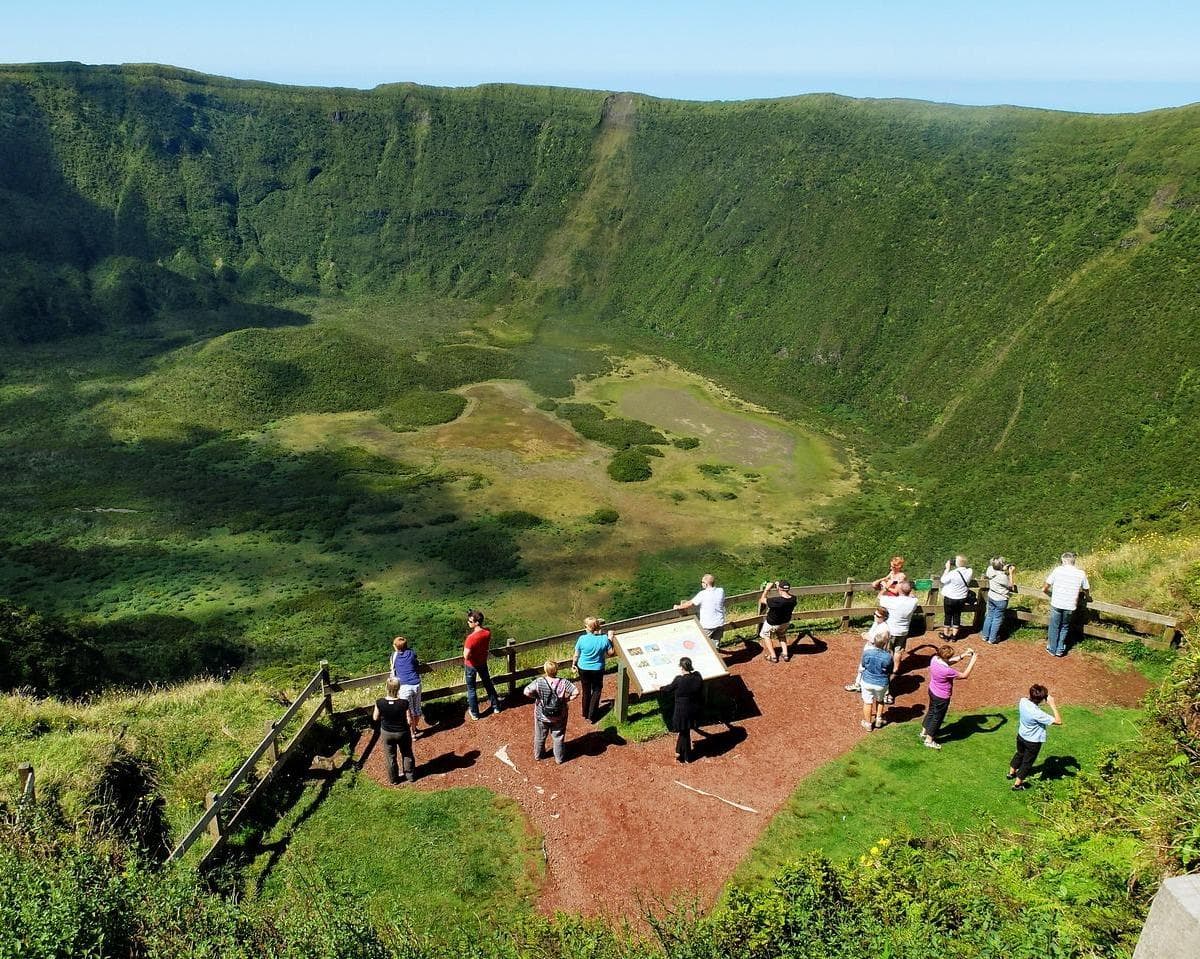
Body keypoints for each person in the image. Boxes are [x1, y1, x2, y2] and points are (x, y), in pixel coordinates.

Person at [921, 644, 978, 749]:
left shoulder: (934, 659)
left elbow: (948, 661)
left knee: (931, 711)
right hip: (942, 697)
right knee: (937, 717)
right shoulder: (947, 671)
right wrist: (973, 661)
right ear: (946, 657)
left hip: (932, 691)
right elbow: (964, 675)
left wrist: (963, 655)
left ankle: (924, 731)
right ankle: (929, 740)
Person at [1009, 684, 1063, 789]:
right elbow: (1058, 721)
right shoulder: (1038, 714)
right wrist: (1052, 704)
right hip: (1032, 742)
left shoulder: (1022, 701)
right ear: (1042, 699)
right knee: (1027, 762)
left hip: (1021, 735)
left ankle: (1011, 773)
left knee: (1019, 754)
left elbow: (1031, 700)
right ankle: (1017, 785)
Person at [524, 661, 578, 764]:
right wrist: (566, 700)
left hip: (542, 715)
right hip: (559, 715)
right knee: (558, 737)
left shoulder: (539, 681)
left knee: (540, 736)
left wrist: (537, 697)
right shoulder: (563, 682)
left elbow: (526, 691)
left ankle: (538, 755)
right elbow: (576, 692)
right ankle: (559, 758)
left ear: (545, 670)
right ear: (556, 671)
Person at [878, 580, 919, 704]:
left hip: (890, 631)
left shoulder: (893, 601)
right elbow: (913, 596)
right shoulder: (913, 602)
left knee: (887, 654)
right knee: (898, 651)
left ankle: (887, 677)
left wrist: (885, 588)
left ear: (899, 590)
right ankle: (896, 669)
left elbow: (879, 598)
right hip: (903, 631)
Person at [1043, 552, 1090, 657]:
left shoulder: (1058, 570)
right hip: (1070, 604)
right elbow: (1086, 588)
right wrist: (1087, 596)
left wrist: (1045, 590)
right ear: (1073, 561)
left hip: (1057, 602)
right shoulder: (1081, 573)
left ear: (1063, 560)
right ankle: (1060, 649)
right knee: (1065, 626)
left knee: (1054, 626)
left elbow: (1047, 583)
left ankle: (1052, 648)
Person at [372, 677, 415, 784]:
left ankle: (394, 779)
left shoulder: (380, 702)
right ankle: (410, 775)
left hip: (387, 732)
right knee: (407, 753)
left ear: (386, 687)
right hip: (402, 732)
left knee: (390, 756)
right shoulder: (404, 703)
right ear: (398, 688)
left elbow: (375, 718)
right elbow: (409, 720)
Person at [662, 657, 704, 762]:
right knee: (685, 731)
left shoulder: (679, 680)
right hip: (693, 709)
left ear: (681, 667)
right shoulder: (697, 677)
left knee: (684, 732)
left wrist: (659, 687)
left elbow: (668, 689)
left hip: (682, 711)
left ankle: (687, 756)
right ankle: (679, 751)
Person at [572, 617, 614, 723]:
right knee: (596, 690)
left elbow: (576, 655)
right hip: (597, 668)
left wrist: (573, 664)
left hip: (583, 668)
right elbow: (611, 653)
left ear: (589, 627)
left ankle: (585, 713)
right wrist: (610, 639)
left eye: (585, 626)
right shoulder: (604, 639)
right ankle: (592, 715)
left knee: (586, 690)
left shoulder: (582, 639)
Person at [463, 609, 503, 720]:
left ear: (476, 622)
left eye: (470, 621)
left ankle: (475, 714)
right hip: (482, 663)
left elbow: (466, 655)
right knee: (488, 684)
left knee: (471, 689)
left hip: (471, 665)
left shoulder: (470, 639)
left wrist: (471, 656)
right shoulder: (487, 633)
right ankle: (496, 707)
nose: (468, 622)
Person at [390, 636, 433, 736]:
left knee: (408, 712)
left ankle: (412, 733)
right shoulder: (412, 653)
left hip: (404, 687)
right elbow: (415, 662)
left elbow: (393, 667)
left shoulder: (394, 656)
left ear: (396, 647)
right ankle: (414, 729)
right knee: (417, 710)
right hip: (416, 684)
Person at [845, 606, 890, 692]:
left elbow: (880, 642)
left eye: (878, 616)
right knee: (862, 667)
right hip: (869, 649)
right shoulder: (876, 623)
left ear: (884, 617)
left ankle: (884, 692)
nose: (875, 617)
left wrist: (867, 637)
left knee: (877, 670)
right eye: (875, 614)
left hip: (875, 652)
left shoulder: (885, 629)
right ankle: (858, 684)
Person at [675, 573, 727, 645]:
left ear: (705, 583)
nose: (701, 584)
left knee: (702, 644)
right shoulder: (721, 591)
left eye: (702, 582)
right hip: (720, 623)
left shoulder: (702, 594)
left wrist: (678, 607)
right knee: (715, 645)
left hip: (708, 625)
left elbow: (690, 603)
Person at [859, 633, 893, 730]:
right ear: (884, 643)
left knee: (867, 702)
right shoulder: (888, 656)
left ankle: (868, 724)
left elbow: (863, 664)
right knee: (880, 700)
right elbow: (890, 670)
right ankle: (878, 720)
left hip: (867, 681)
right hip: (881, 683)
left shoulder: (867, 653)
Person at [759, 579, 798, 662]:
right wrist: (778, 586)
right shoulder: (793, 599)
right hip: (785, 622)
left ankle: (773, 656)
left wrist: (767, 589)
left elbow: (762, 600)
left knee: (765, 635)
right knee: (781, 635)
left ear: (779, 589)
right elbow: (785, 595)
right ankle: (785, 654)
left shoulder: (776, 601)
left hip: (772, 623)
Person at [980, 558, 1017, 645]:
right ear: (1001, 566)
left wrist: (1002, 568)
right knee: (997, 619)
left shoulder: (990, 570)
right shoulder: (1003, 577)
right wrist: (1011, 573)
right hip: (1001, 599)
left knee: (989, 615)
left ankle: (985, 636)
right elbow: (1011, 586)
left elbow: (995, 568)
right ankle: (992, 639)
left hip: (991, 596)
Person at [939, 554, 974, 640]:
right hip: (961, 598)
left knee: (948, 615)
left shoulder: (953, 573)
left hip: (950, 597)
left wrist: (947, 568)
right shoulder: (970, 571)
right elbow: (968, 568)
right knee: (957, 615)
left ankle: (946, 635)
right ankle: (954, 636)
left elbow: (943, 580)